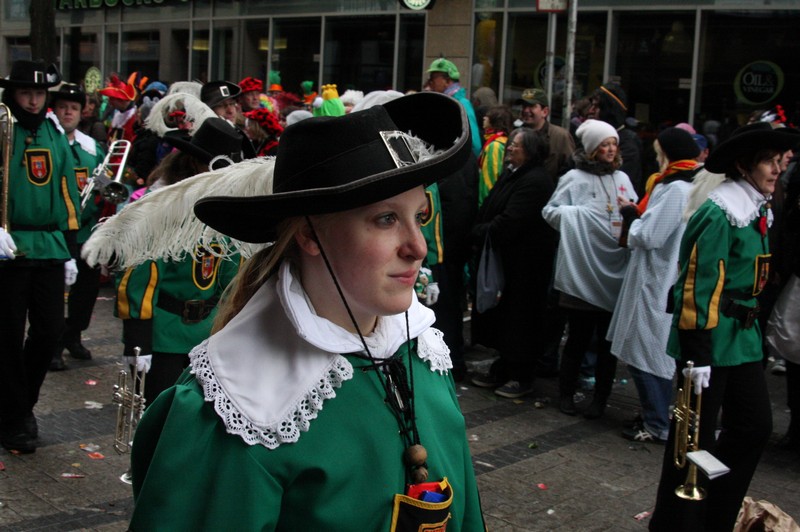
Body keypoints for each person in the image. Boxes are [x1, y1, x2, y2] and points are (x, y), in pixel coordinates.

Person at [127, 91, 485, 529]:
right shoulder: (243, 407)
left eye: (420, 216)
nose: (418, 247)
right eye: (386, 219)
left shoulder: (424, 354)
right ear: (310, 235)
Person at [649, 122, 800, 531]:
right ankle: (677, 524)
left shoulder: (757, 207)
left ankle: (715, 513)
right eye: (769, 162)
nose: (778, 169)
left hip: (742, 339)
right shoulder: (718, 212)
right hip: (709, 341)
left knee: (754, 427)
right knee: (691, 443)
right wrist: (697, 355)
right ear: (744, 165)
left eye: (779, 161)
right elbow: (695, 286)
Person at [114, 117, 245, 407]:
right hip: (164, 333)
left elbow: (233, 275)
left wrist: (233, 328)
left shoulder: (225, 204)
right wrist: (138, 339)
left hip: (209, 333)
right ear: (195, 163)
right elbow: (139, 274)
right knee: (160, 417)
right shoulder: (160, 206)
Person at [0, 60, 81, 454]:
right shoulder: (2, 127)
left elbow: (67, 186)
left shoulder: (53, 130)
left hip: (49, 244)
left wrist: (71, 246)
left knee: (50, 331)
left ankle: (19, 407)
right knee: (7, 334)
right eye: (25, 93)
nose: (32, 101)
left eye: (38, 93)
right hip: (9, 245)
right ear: (12, 94)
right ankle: (16, 418)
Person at [607, 127, 701, 443]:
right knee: (648, 349)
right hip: (657, 276)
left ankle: (657, 421)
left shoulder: (676, 190)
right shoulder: (685, 185)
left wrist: (630, 216)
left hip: (657, 279)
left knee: (646, 352)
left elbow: (649, 235)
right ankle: (656, 415)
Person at [542, 119, 638, 419]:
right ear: (592, 148)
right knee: (578, 339)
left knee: (607, 345)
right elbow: (550, 212)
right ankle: (566, 394)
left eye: (613, 144)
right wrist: (579, 216)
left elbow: (635, 213)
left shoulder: (622, 178)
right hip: (583, 271)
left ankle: (600, 399)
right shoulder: (574, 178)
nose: (610, 150)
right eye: (604, 145)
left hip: (614, 271)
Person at [470, 128, 557, 398]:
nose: (510, 149)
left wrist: (479, 231)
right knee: (505, 318)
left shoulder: (536, 181)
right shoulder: (513, 173)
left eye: (516, 145)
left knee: (521, 318)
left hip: (526, 265)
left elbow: (511, 221)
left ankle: (521, 375)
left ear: (530, 151)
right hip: (506, 261)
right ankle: (505, 366)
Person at [49, 83, 108, 370]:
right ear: (55, 110)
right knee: (55, 292)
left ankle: (74, 335)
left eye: (74, 108)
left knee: (85, 290)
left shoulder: (92, 147)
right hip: (56, 232)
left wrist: (107, 188)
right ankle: (53, 344)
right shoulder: (49, 142)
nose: (68, 112)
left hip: (87, 230)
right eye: (63, 107)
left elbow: (105, 179)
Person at [587, 82, 643, 195]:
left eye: (596, 107)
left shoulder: (628, 146)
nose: (590, 111)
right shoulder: (590, 139)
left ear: (609, 110)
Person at [515, 88, 575, 182]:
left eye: (531, 106)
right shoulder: (515, 135)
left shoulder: (560, 136)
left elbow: (570, 171)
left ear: (545, 111)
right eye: (524, 106)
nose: (526, 110)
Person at [427, 57, 482, 158]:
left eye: (433, 78)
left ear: (447, 81)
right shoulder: (442, 104)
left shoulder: (462, 105)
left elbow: (474, 145)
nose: (430, 82)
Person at [478, 104, 512, 207]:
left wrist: (483, 206)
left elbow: (489, 180)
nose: (484, 118)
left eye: (488, 116)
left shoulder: (494, 146)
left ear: (495, 121)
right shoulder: (503, 141)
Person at [98, 74, 138, 143]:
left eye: (112, 98)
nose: (109, 102)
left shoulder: (134, 117)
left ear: (121, 99)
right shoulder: (117, 116)